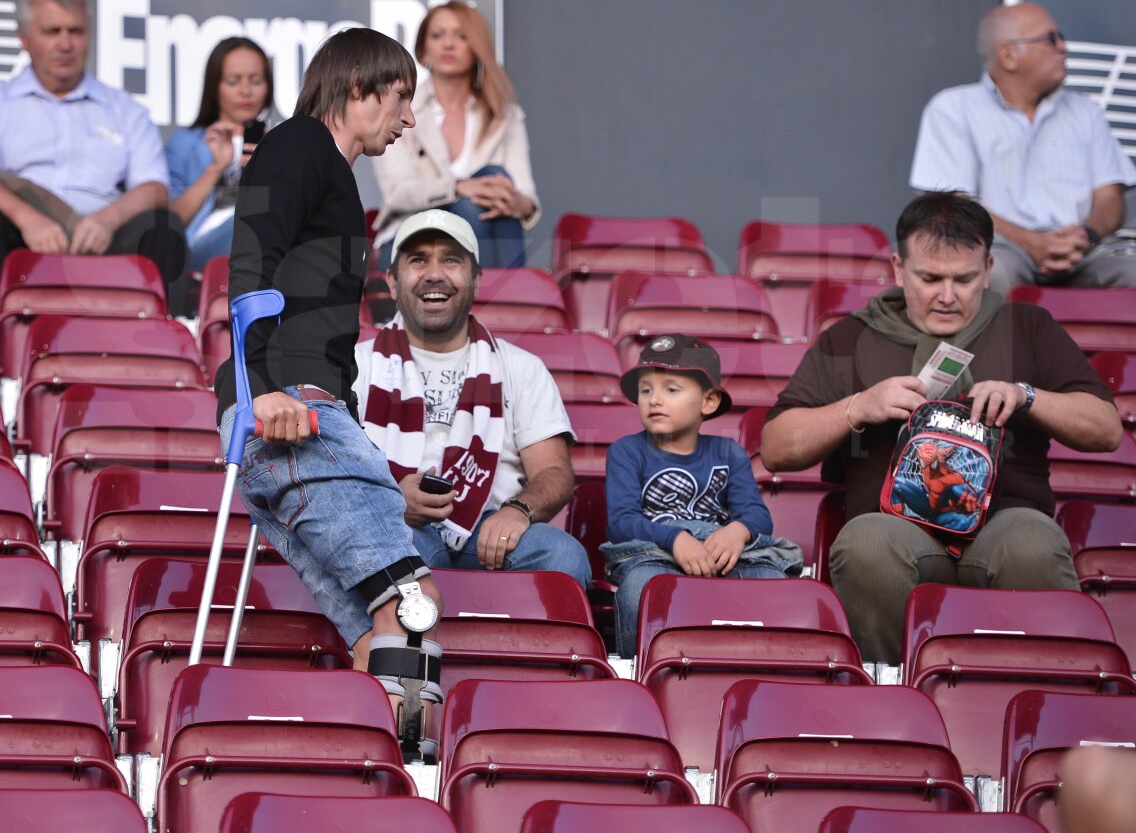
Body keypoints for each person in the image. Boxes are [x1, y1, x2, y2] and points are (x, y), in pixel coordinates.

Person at [761, 191, 1122, 665]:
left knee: (1032, 542)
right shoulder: (851, 336)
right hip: (893, 528)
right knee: (867, 544)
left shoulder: (1028, 327)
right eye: (929, 278)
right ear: (897, 268)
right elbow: (775, 447)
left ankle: (1049, 703)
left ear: (990, 269)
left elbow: (1106, 429)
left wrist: (1026, 396)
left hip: (1005, 523)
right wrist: (858, 406)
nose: (947, 296)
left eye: (965, 279)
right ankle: (893, 696)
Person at [214, 27, 443, 758]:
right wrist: (266, 389)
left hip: (310, 413)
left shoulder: (330, 170)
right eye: (402, 96)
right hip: (290, 411)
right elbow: (251, 261)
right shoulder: (300, 146)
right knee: (412, 609)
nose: (408, 119)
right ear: (359, 87)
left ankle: (371, 783)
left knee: (381, 631)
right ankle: (397, 777)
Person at [351, 209, 591, 587]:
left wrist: (519, 511)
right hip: (394, 523)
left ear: (477, 280)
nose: (434, 274)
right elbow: (330, 474)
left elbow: (553, 472)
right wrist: (392, 503)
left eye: (451, 260)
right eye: (418, 261)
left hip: (492, 526)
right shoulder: (356, 366)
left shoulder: (521, 367)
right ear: (393, 283)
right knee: (398, 553)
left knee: (562, 555)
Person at [0, 0, 185, 312]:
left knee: (163, 227)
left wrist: (107, 220)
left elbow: (154, 190)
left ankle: (159, 347)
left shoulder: (125, 110)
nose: (66, 44)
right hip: (20, 235)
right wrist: (28, 218)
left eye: (76, 31)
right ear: (24, 38)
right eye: (52, 31)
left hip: (101, 237)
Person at [910, 2, 1136, 297]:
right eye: (1051, 39)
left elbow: (1109, 198)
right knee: (991, 274)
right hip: (999, 248)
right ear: (1009, 55)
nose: (1064, 47)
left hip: (1083, 253)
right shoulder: (953, 109)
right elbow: (953, 206)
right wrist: (1032, 243)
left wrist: (1086, 236)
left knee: (1131, 270)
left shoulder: (1085, 112)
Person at [600, 333, 799, 659]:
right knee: (640, 588)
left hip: (720, 557)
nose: (655, 400)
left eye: (671, 390)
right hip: (654, 556)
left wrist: (737, 531)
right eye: (646, 390)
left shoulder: (728, 452)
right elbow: (622, 523)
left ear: (708, 402)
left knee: (773, 580)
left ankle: (763, 668)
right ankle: (641, 671)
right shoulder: (627, 451)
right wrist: (676, 538)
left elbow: (758, 515)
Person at [371, 0, 540, 269]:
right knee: (472, 204)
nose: (448, 44)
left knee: (493, 191)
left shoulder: (505, 115)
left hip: (486, 231)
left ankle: (497, 300)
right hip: (409, 237)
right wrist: (458, 187)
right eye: (438, 36)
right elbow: (398, 193)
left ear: (477, 47)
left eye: (461, 36)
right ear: (423, 49)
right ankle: (511, 301)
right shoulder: (398, 109)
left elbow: (525, 193)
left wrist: (515, 202)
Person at [165, 36, 274, 272]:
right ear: (214, 87)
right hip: (203, 249)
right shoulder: (186, 143)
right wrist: (215, 168)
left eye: (256, 81)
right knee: (251, 221)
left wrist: (269, 168)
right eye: (234, 82)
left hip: (269, 249)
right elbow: (169, 223)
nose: (246, 91)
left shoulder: (283, 143)